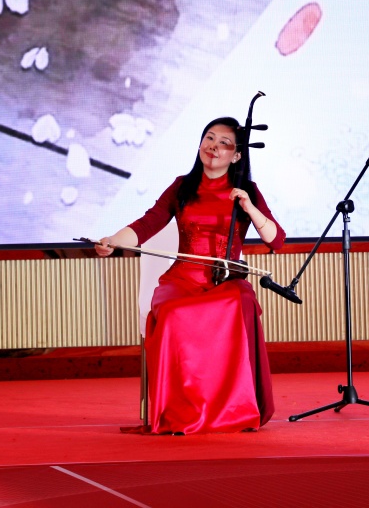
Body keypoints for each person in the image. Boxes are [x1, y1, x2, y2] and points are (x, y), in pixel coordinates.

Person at [96, 117, 285, 435]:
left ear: (237, 155)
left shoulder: (247, 190)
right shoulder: (182, 185)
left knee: (242, 301)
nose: (214, 146)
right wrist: (113, 241)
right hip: (182, 279)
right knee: (171, 312)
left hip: (224, 282)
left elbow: (276, 241)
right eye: (209, 138)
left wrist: (250, 208)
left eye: (224, 143)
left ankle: (235, 408)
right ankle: (181, 412)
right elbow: (149, 223)